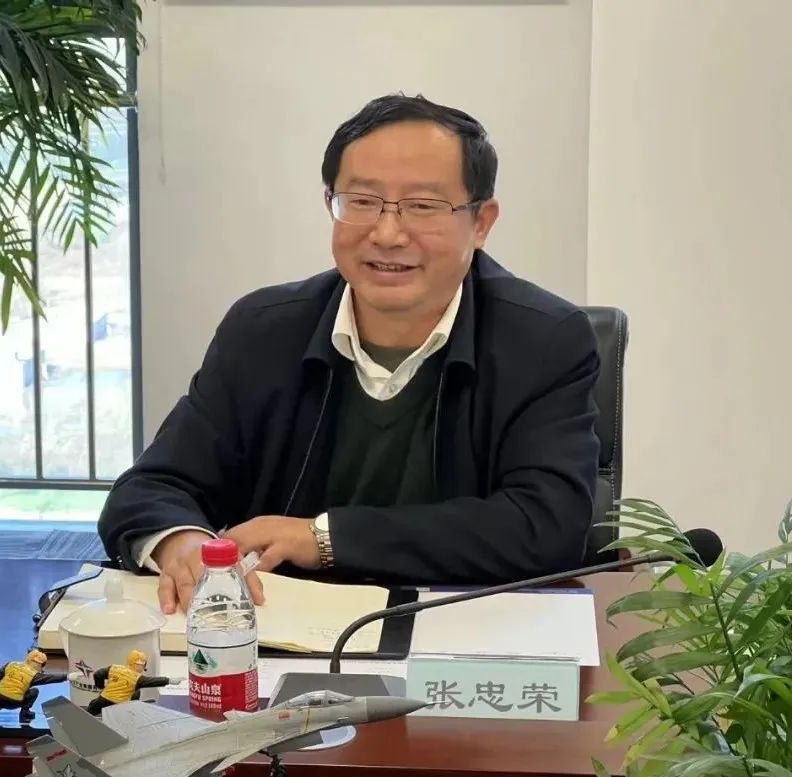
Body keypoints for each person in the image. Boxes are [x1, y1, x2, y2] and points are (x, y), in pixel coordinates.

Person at [98, 93, 601, 614]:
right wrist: (181, 544)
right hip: (280, 630)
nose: (387, 233)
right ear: (330, 205)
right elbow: (153, 485)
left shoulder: (543, 339)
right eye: (361, 201)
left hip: (466, 625)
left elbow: (546, 526)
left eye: (423, 206)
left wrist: (324, 537)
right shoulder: (263, 329)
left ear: (481, 223)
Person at [85, 650, 171, 715]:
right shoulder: (138, 678)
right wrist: (169, 680)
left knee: (90, 710)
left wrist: (101, 687)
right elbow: (154, 681)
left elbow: (97, 674)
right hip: (120, 706)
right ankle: (132, 708)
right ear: (139, 664)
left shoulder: (114, 668)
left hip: (103, 699)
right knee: (136, 690)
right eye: (143, 666)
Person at [0, 650, 67, 722]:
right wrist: (67, 676)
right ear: (40, 664)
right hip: (14, 702)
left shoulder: (10, 664)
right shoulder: (34, 675)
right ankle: (24, 713)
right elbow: (51, 678)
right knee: (34, 691)